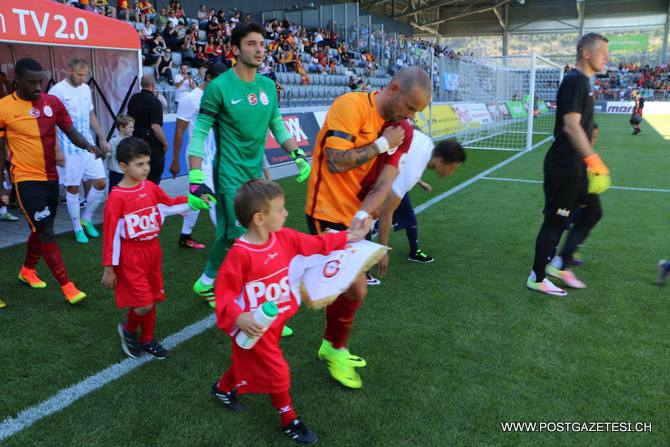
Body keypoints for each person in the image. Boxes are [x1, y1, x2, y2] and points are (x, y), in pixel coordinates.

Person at [212, 179, 371, 445]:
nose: (286, 213)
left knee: (246, 360)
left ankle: (222, 388)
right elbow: (224, 293)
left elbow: (317, 244)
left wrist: (349, 236)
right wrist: (240, 316)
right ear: (260, 218)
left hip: (274, 323)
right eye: (280, 209)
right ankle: (289, 420)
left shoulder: (284, 238)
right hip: (254, 326)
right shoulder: (240, 254)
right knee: (278, 373)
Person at [304, 66, 431, 388]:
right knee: (355, 286)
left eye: (417, 112)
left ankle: (331, 346)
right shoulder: (351, 106)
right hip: (326, 211)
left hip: (357, 217)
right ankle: (333, 348)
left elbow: (385, 181)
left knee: (347, 287)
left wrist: (364, 214)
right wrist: (380, 144)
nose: (411, 117)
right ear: (393, 89)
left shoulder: (403, 131)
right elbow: (335, 161)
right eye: (410, 108)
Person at [187, 22, 311, 308]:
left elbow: (277, 126)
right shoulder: (218, 88)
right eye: (251, 44)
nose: (259, 50)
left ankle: (206, 282)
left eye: (262, 44)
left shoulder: (268, 85)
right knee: (244, 237)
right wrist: (195, 174)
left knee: (235, 236)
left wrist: (298, 154)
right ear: (235, 49)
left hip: (255, 175)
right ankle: (253, 304)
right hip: (228, 176)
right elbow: (201, 131)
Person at [0, 58, 104, 304]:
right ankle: (68, 286)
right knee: (46, 229)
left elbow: (70, 130)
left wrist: (89, 146)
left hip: (51, 177)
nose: (37, 86)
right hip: (25, 179)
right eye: (31, 82)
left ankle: (27, 271)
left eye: (41, 81)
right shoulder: (4, 107)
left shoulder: (52, 103)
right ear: (17, 81)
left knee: (41, 227)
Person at [102, 137, 205, 359]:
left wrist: (193, 201)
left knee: (153, 298)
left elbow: (169, 204)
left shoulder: (150, 187)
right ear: (123, 166)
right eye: (139, 164)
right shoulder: (116, 198)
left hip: (152, 251)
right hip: (131, 255)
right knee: (144, 303)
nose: (146, 168)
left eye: (147, 163)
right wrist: (109, 268)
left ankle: (147, 339)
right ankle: (128, 328)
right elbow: (110, 235)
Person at [526, 33, 610, 297]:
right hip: (564, 167)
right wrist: (594, 160)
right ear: (586, 53)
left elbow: (583, 126)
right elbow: (571, 126)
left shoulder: (584, 83)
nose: (606, 58)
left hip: (577, 168)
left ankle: (560, 262)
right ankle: (537, 277)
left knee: (593, 211)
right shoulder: (574, 81)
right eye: (602, 53)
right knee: (555, 222)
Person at [375, 134, 465, 278]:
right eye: (452, 168)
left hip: (378, 171)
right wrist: (382, 252)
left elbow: (411, 132)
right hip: (364, 177)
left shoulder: (425, 141)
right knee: (371, 215)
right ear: (441, 161)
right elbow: (386, 212)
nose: (451, 173)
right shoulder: (412, 173)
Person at [48, 58, 110, 243]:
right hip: (68, 148)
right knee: (73, 188)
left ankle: (86, 218)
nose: (82, 78)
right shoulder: (57, 91)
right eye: (78, 74)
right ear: (69, 71)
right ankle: (76, 228)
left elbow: (91, 114)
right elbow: (49, 123)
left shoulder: (85, 89)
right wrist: (57, 149)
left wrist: (103, 137)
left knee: (100, 183)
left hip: (88, 145)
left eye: (85, 75)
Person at [170, 62, 227, 253]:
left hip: (216, 157)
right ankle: (228, 243)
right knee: (212, 199)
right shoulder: (191, 99)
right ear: (209, 78)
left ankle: (185, 236)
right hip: (198, 159)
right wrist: (175, 160)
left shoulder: (219, 96)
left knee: (197, 199)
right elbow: (178, 132)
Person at [127, 74, 168, 185]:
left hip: (135, 141)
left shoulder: (133, 99)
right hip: (150, 144)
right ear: (153, 85)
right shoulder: (155, 102)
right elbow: (155, 127)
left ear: (141, 84)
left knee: (137, 177)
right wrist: (165, 143)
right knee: (152, 179)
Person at [108, 114, 135, 190]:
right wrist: (106, 151)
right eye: (130, 127)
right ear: (121, 128)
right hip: (116, 173)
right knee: (115, 192)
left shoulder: (131, 140)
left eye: (133, 127)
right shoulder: (113, 141)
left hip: (128, 173)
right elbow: (107, 155)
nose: (133, 129)